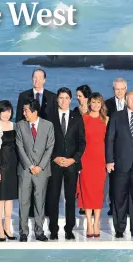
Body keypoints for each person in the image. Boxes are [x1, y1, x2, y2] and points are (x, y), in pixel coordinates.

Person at [105, 90, 133, 238]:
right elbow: (109, 139)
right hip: (120, 164)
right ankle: (119, 228)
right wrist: (109, 160)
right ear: (126, 100)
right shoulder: (117, 116)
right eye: (130, 99)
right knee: (119, 197)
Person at [47, 87, 86, 240]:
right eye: (61, 98)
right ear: (57, 99)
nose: (63, 101)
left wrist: (73, 159)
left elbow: (82, 142)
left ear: (70, 100)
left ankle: (69, 229)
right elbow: (46, 141)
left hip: (71, 164)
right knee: (53, 197)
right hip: (54, 163)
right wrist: (54, 157)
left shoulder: (77, 117)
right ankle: (54, 230)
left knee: (70, 199)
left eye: (66, 98)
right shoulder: (50, 117)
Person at [15, 99, 54, 242]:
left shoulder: (48, 125)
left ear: (34, 111)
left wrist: (40, 166)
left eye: (26, 110)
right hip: (25, 170)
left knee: (40, 202)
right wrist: (30, 166)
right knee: (23, 202)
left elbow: (50, 147)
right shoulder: (20, 125)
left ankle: (39, 231)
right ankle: (23, 232)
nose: (23, 113)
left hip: (42, 171)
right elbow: (19, 147)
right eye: (23, 110)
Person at [77, 92, 108, 238]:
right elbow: (79, 141)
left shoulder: (106, 120)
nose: (95, 105)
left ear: (101, 104)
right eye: (93, 102)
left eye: (98, 102)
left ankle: (97, 223)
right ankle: (89, 223)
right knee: (87, 191)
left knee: (98, 191)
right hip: (86, 159)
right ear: (89, 103)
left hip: (100, 160)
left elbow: (110, 142)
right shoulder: (83, 119)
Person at [0, 101, 19, 241]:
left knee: (10, 198)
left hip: (13, 166)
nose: (6, 114)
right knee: (0, 198)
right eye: (4, 111)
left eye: (9, 111)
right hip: (1, 166)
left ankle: (8, 226)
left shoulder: (14, 125)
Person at [105, 77, 130, 217]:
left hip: (128, 147)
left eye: (122, 89)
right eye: (117, 89)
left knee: (128, 180)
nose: (119, 92)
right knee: (113, 180)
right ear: (113, 89)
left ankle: (126, 207)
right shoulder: (107, 104)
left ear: (125, 89)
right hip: (113, 146)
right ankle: (113, 206)